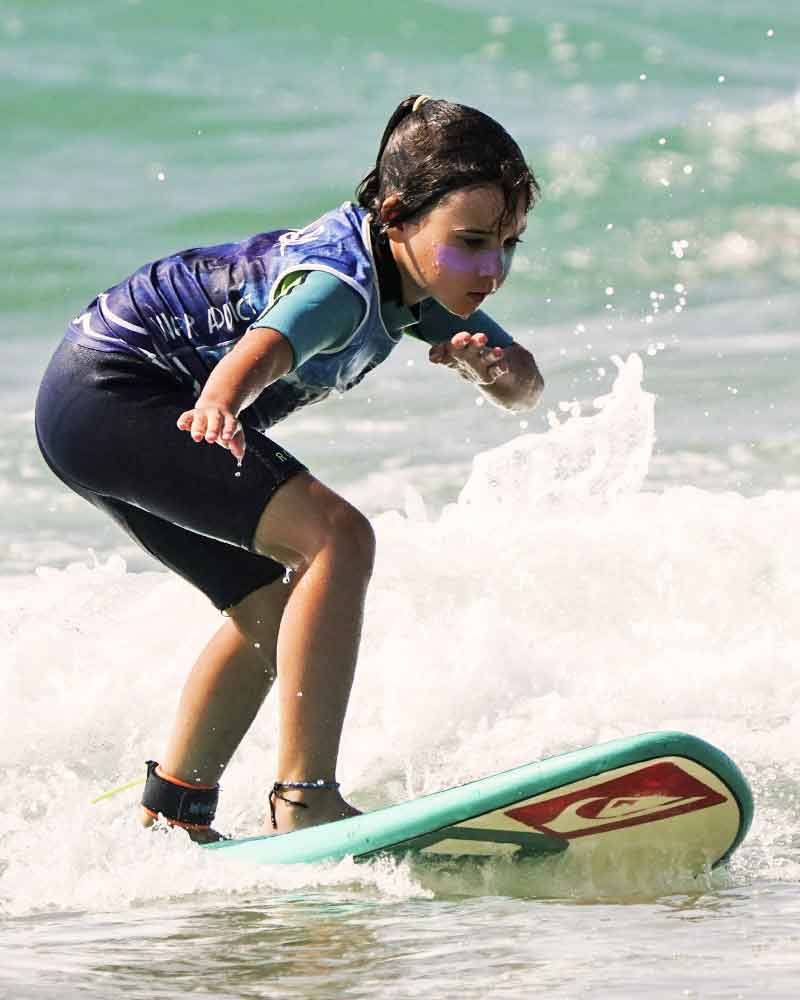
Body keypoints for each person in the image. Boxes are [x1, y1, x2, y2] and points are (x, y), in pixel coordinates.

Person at [34, 94, 544, 842]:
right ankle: (306, 798)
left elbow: (525, 389)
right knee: (340, 539)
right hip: (120, 396)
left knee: (271, 610)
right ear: (397, 214)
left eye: (509, 245)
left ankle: (173, 815)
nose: (492, 270)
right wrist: (220, 405)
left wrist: (493, 372)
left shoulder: (423, 278)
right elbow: (273, 341)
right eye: (472, 242)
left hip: (84, 412)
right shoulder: (341, 285)